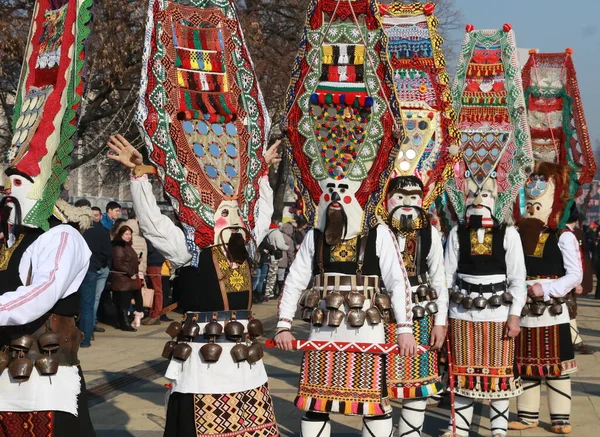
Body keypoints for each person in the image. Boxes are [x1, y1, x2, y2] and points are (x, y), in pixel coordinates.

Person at [107, 133, 281, 436]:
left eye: (235, 209)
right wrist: (138, 176)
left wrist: (261, 173)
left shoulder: (245, 244)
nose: (233, 217)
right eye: (224, 211)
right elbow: (152, 223)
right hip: (204, 354)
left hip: (244, 356)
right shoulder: (189, 248)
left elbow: (263, 213)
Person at [509, 163, 582, 435]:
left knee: (558, 366)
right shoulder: (516, 234)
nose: (532, 209)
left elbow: (575, 275)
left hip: (552, 311)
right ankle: (527, 415)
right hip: (523, 311)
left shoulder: (563, 236)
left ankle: (560, 418)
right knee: (525, 364)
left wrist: (547, 288)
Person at [383, 177, 448, 437]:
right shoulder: (376, 230)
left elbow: (439, 279)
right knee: (379, 384)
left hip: (421, 314)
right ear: (387, 198)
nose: (408, 203)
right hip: (382, 314)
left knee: (419, 386)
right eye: (400, 196)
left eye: (414, 197)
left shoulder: (429, 233)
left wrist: (441, 322)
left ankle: (409, 434)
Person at [75, 199, 112, 347]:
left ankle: (71, 335)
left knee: (71, 303)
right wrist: (97, 261)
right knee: (88, 305)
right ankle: (85, 339)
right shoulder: (100, 230)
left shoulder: (75, 228)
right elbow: (107, 252)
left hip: (74, 270)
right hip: (91, 268)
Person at [110, 225, 143, 332]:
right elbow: (119, 263)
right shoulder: (119, 246)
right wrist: (130, 272)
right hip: (123, 279)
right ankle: (124, 324)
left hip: (128, 280)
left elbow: (126, 260)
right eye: (126, 234)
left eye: (130, 234)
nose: (128, 236)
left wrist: (136, 261)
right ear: (121, 235)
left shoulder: (127, 245)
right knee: (123, 303)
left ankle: (122, 322)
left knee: (126, 302)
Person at [142, 240, 166, 325]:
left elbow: (150, 248)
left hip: (154, 262)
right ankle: (152, 313)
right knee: (152, 290)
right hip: (153, 261)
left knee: (157, 290)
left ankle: (156, 314)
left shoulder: (151, 235)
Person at [264, 222, 288, 299]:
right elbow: (280, 245)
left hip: (269, 255)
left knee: (270, 275)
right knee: (272, 275)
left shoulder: (268, 232)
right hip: (275, 256)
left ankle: (268, 292)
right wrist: (287, 247)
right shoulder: (277, 233)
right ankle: (269, 293)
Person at [278, 222, 296, 295]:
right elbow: (290, 252)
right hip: (283, 259)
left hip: (274, 258)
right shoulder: (289, 239)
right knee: (281, 276)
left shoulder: (278, 234)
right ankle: (279, 291)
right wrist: (292, 261)